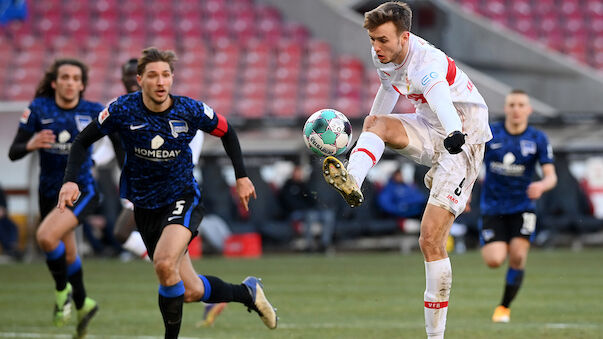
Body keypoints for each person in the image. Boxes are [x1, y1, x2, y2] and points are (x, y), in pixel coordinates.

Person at [57, 48, 277, 338]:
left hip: (182, 198)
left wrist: (242, 176)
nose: (160, 81)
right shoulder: (122, 109)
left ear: (172, 78)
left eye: (165, 75)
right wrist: (71, 180)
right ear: (140, 80)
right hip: (145, 206)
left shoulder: (190, 110)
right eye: (152, 75)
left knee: (162, 263)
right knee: (191, 290)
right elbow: (82, 141)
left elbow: (227, 131)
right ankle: (248, 293)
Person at [321, 3, 492, 338]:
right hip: (431, 126)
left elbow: (440, 96)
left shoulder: (426, 61)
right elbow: (387, 91)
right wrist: (369, 131)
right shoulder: (383, 56)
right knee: (376, 123)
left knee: (430, 238)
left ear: (405, 36)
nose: (376, 47)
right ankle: (353, 179)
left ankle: (435, 337)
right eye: (372, 40)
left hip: (463, 134)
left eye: (383, 40)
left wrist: (455, 133)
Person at [108, 58, 226, 327]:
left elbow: (190, 154)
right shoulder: (124, 113)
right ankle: (212, 296)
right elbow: (102, 153)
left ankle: (203, 293)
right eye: (126, 78)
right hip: (142, 192)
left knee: (123, 234)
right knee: (181, 276)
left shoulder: (181, 114)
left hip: (173, 192)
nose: (129, 83)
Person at [8, 58, 103, 338]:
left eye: (76, 78)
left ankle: (63, 293)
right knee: (68, 252)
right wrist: (31, 143)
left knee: (46, 237)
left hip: (81, 191)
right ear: (54, 82)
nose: (70, 82)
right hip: (48, 192)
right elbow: (13, 151)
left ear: (82, 85)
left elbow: (120, 142)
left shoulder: (93, 111)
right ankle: (84, 303)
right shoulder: (38, 109)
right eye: (65, 77)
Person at [480, 89, 557, 323]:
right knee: (494, 260)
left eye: (521, 105)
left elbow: (551, 176)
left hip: (523, 207)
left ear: (528, 110)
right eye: (512, 104)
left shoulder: (538, 139)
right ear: (506, 108)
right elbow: (470, 164)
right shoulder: (490, 133)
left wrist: (542, 185)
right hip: (492, 207)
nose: (516, 109)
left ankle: (503, 308)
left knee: (518, 256)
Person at [0, 184, 22, 260]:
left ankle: (12, 245)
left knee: (13, 226)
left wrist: (3, 209)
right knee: (1, 229)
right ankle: (8, 249)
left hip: (2, 217)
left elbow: (4, 202)